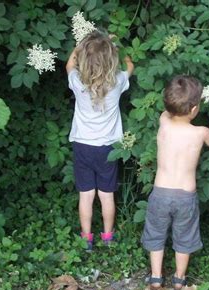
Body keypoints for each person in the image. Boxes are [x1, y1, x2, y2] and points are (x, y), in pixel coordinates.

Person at [141, 75, 209, 290]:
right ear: (194, 110)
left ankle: (156, 277)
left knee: (156, 233)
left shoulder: (163, 123)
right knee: (184, 236)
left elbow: (168, 111)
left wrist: (176, 99)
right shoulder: (200, 133)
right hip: (185, 195)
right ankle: (179, 278)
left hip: (160, 193)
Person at [66, 31, 134, 251]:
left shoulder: (78, 82)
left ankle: (86, 238)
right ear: (110, 60)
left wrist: (80, 46)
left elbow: (69, 64)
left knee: (85, 196)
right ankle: (108, 237)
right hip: (108, 149)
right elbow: (130, 66)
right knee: (107, 196)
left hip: (83, 146)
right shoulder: (117, 83)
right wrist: (117, 45)